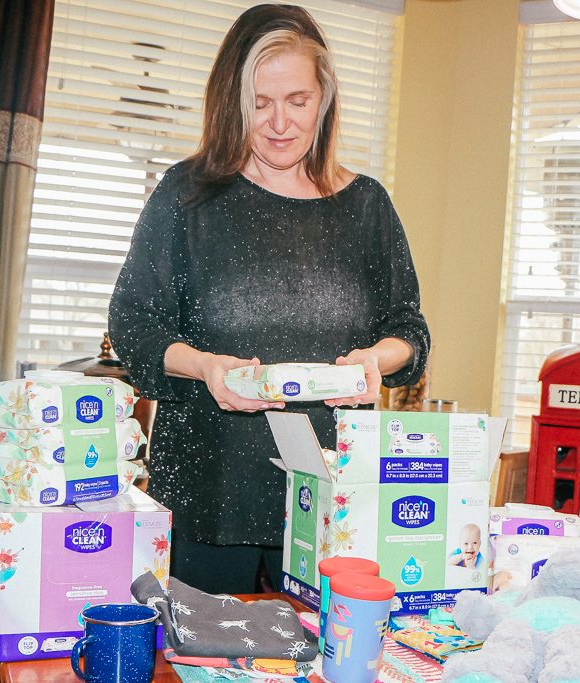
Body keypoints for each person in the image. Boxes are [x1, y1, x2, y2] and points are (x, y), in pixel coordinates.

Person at [108, 3, 429, 595]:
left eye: (298, 101)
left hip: (331, 505)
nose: (280, 123)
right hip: (207, 496)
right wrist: (206, 367)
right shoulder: (187, 195)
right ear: (233, 103)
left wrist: (375, 361)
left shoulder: (366, 206)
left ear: (323, 100)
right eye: (260, 104)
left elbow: (408, 330)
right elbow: (135, 327)